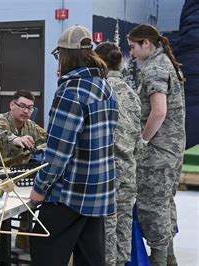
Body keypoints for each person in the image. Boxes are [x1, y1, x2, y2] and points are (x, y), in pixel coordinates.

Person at [29, 25, 119, 265]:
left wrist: (40, 187)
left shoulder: (71, 91)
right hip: (98, 190)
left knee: (43, 250)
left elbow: (58, 152)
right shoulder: (106, 88)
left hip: (70, 193)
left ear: (65, 55)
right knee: (91, 258)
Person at [128, 24, 185, 266]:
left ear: (146, 44)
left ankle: (160, 260)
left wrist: (142, 140)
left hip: (158, 151)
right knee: (164, 202)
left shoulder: (155, 68)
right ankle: (168, 257)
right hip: (171, 149)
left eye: (132, 47)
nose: (130, 53)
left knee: (152, 206)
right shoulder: (165, 63)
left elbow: (159, 111)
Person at [0, 90, 47, 251]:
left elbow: (49, 141)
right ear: (12, 105)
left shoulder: (30, 127)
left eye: (30, 108)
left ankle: (23, 235)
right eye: (22, 106)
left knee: (33, 194)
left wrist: (39, 148)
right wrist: (16, 139)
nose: (26, 111)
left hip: (15, 175)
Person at [95, 42, 142, 265]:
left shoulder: (100, 92)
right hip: (128, 170)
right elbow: (137, 137)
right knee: (125, 227)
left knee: (107, 228)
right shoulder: (132, 94)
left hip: (108, 171)